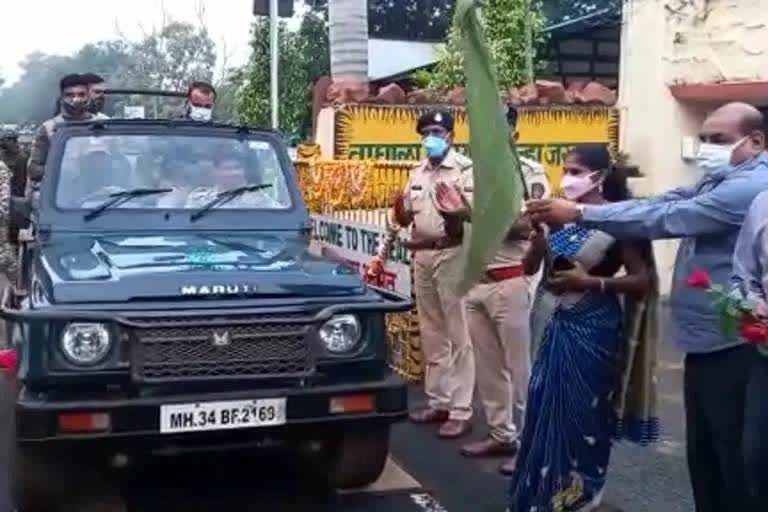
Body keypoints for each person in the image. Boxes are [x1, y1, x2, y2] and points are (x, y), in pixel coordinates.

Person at [527, 102, 768, 512]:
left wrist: (583, 213)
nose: (707, 148)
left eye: (719, 140)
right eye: (704, 139)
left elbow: (669, 218)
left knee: (735, 460)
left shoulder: (751, 187)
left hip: (735, 343)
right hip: (706, 339)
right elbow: (662, 202)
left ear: (757, 141)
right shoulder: (717, 179)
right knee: (705, 456)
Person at [508, 144, 652, 511]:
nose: (567, 178)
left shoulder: (619, 219)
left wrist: (592, 283)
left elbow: (642, 280)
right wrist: (538, 242)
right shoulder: (555, 215)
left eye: (575, 171)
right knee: (544, 406)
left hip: (594, 326)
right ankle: (539, 493)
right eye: (566, 170)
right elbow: (529, 269)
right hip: (553, 321)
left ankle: (581, 491)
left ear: (599, 177)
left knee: (582, 413)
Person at [371, 110, 475, 439]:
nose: (431, 137)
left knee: (459, 333)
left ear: (451, 136)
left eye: (437, 131)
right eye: (426, 131)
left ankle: (460, 409)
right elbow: (402, 219)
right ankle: (439, 400)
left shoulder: (466, 171)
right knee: (432, 331)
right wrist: (397, 217)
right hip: (423, 257)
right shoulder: (417, 172)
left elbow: (471, 220)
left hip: (452, 254)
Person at [729, 190, 768, 508]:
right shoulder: (762, 204)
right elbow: (742, 276)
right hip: (765, 360)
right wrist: (750, 305)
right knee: (755, 459)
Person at [27, 74, 98, 199]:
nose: (76, 100)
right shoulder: (48, 128)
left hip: (98, 195)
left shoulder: (101, 124)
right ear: (61, 97)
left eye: (81, 95)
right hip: (60, 198)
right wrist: (62, 169)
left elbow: (119, 162)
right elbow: (34, 169)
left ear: (88, 96)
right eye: (70, 95)